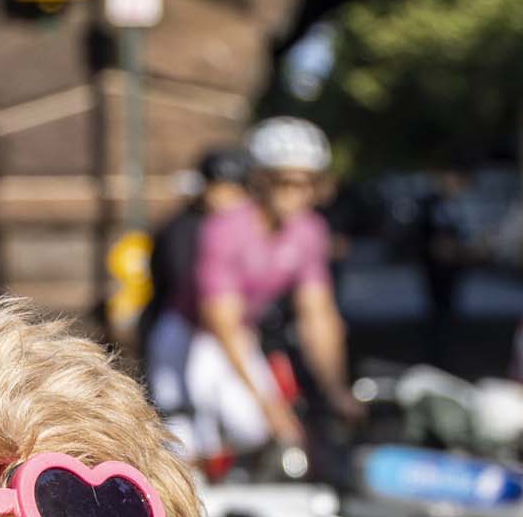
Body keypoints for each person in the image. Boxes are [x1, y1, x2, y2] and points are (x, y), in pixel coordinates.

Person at [142, 116, 360, 466]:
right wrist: (270, 405)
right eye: (283, 182)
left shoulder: (310, 231)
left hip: (240, 331)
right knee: (189, 434)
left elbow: (317, 313)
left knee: (254, 429)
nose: (294, 194)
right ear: (261, 180)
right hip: (191, 330)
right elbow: (220, 320)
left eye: (306, 184)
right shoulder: (225, 227)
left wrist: (336, 389)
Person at [143, 145, 252, 354]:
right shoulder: (185, 227)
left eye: (234, 190)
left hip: (231, 325)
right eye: (218, 188)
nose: (224, 198)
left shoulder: (245, 228)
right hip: (182, 324)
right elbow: (184, 278)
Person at [412, 166, 477, 357]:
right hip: (435, 266)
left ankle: (444, 350)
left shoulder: (456, 204)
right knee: (436, 311)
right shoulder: (431, 204)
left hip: (452, 266)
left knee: (448, 310)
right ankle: (435, 352)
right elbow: (425, 236)